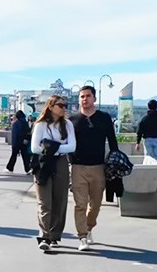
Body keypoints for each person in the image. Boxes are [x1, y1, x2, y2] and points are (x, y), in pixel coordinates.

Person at [68, 85, 118, 250]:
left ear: (94, 98)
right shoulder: (72, 120)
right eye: (82, 96)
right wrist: (70, 161)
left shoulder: (104, 118)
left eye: (88, 96)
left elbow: (112, 141)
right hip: (78, 167)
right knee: (80, 204)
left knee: (95, 204)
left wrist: (115, 160)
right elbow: (66, 142)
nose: (85, 99)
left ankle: (89, 227)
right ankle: (82, 237)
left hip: (98, 167)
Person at [31, 95, 77, 252]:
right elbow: (35, 148)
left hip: (60, 163)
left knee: (60, 200)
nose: (64, 108)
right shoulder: (41, 125)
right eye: (60, 105)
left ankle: (55, 235)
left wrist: (51, 147)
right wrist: (56, 148)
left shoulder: (68, 124)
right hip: (43, 164)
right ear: (50, 107)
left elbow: (72, 146)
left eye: (65, 105)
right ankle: (44, 235)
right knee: (45, 202)